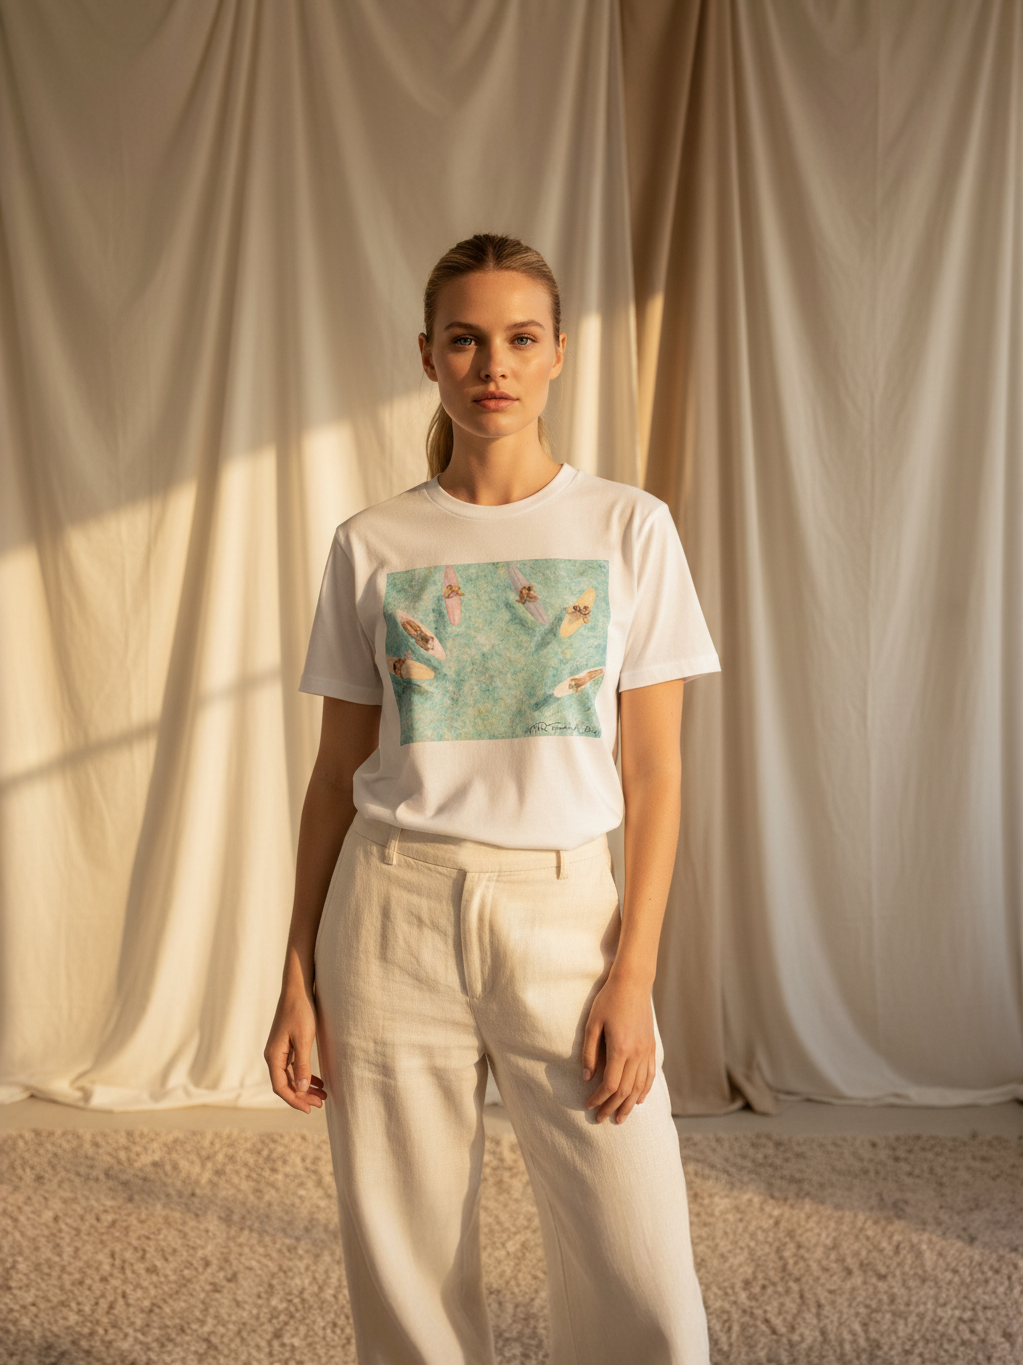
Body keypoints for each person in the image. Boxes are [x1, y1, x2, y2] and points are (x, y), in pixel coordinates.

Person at [264, 233, 719, 1365]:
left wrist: (636, 973)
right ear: (428, 356)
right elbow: (331, 780)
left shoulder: (629, 528)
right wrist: (294, 976)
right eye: (464, 339)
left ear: (559, 352)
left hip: (564, 913)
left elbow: (654, 772)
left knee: (639, 1270)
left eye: (520, 338)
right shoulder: (371, 544)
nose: (492, 364)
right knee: (404, 1267)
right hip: (388, 914)